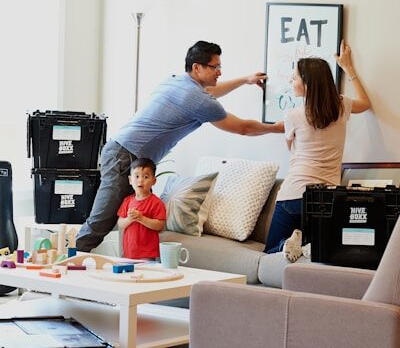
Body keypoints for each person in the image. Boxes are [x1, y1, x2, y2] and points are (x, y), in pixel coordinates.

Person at [76, 40, 284, 251]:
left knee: (104, 217)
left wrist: (244, 80)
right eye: (215, 67)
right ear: (197, 67)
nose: (219, 72)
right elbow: (243, 128)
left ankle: (73, 258)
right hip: (126, 156)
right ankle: (68, 264)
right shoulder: (198, 100)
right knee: (102, 219)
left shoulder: (176, 81)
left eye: (220, 67)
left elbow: (211, 91)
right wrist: (277, 128)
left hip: (119, 150)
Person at [264, 40, 371, 262]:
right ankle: (305, 246)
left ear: (308, 83)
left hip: (293, 194)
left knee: (270, 253)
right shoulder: (342, 106)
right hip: (328, 197)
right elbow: (365, 103)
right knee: (321, 253)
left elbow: (292, 151)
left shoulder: (293, 116)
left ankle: (289, 244)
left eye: (295, 77)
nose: (291, 81)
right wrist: (348, 68)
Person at [117, 158, 166, 260]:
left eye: (146, 177)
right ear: (130, 180)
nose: (140, 180)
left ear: (154, 181)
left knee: (146, 275)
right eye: (137, 176)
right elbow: (120, 223)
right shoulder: (127, 201)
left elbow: (160, 225)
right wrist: (129, 219)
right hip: (129, 251)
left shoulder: (156, 203)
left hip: (147, 253)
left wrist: (141, 218)